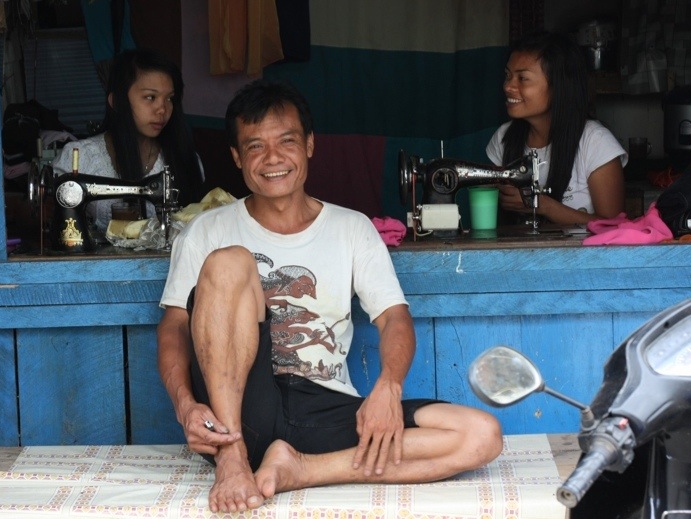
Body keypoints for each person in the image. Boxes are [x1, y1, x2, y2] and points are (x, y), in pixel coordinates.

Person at [156, 79, 503, 513]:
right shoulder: (207, 231)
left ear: (310, 145)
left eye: (286, 142)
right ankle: (233, 457)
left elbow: (393, 318)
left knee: (480, 435)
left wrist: (388, 389)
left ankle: (301, 469)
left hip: (325, 405)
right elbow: (174, 327)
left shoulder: (351, 227)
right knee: (230, 262)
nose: (273, 159)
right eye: (255, 147)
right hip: (240, 411)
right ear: (236, 158)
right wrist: (186, 406)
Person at [52, 48, 204, 232]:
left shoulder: (186, 159)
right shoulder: (79, 158)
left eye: (170, 99)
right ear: (116, 101)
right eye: (150, 97)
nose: (162, 109)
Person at [486, 31, 627, 226]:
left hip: (586, 257)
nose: (508, 86)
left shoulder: (595, 142)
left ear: (558, 85)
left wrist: (542, 205)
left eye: (522, 78)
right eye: (507, 76)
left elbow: (613, 228)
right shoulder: (504, 138)